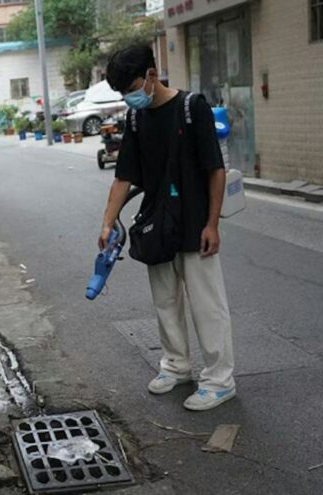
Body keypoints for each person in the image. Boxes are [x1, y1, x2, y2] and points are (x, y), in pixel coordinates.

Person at [99, 44, 235, 411]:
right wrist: (107, 222)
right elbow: (123, 176)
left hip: (195, 222)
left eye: (131, 88)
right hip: (156, 223)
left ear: (151, 75)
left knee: (207, 305)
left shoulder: (192, 107)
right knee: (165, 301)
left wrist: (212, 224)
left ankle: (219, 381)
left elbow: (215, 170)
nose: (128, 98)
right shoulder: (136, 119)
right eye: (122, 93)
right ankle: (176, 365)